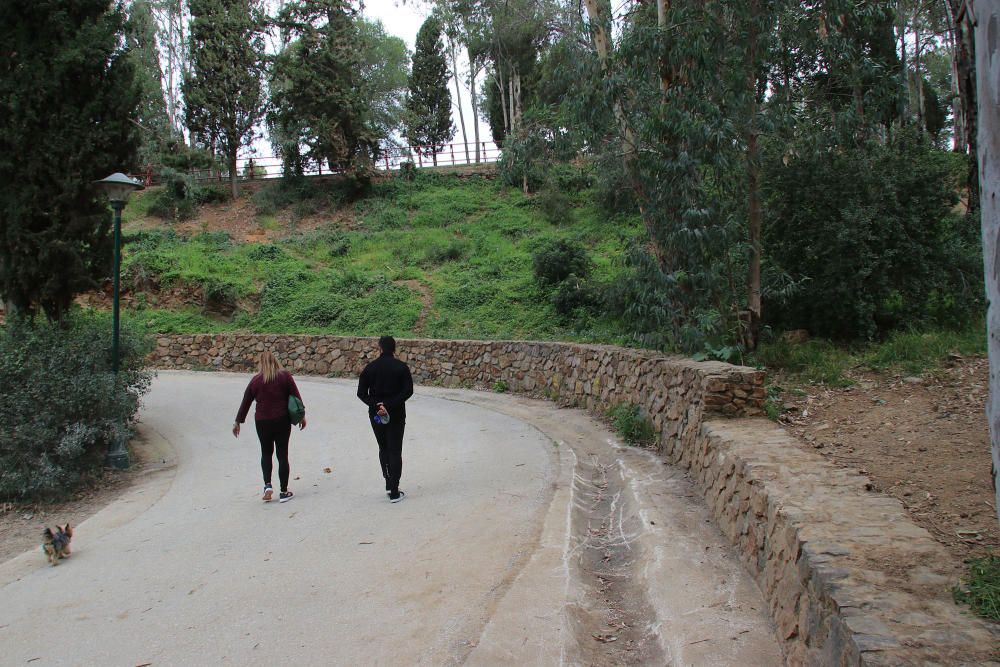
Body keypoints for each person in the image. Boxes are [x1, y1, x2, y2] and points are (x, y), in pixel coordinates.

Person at [233, 351, 306, 503]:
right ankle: (284, 492)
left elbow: (245, 402)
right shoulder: (285, 376)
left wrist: (238, 422)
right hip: (282, 420)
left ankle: (267, 485)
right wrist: (302, 416)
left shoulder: (255, 381)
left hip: (262, 421)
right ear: (275, 361)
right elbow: (296, 396)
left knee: (266, 453)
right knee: (282, 454)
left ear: (261, 363)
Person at [357, 336, 413, 503]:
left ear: (380, 348)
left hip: (376, 414)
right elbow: (408, 391)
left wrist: (377, 405)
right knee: (395, 449)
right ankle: (394, 491)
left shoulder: (370, 368)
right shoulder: (401, 367)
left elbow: (361, 393)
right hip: (396, 413)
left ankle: (388, 482)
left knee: (383, 447)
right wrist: (389, 404)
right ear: (394, 349)